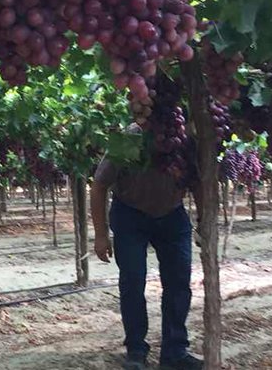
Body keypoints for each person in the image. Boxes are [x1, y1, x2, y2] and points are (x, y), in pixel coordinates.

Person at [90, 138, 203, 370]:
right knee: (132, 281)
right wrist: (101, 234)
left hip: (172, 213)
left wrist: (204, 221)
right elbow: (99, 185)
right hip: (130, 214)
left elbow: (199, 182)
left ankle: (175, 352)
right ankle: (136, 351)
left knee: (179, 282)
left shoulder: (182, 139)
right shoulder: (129, 140)